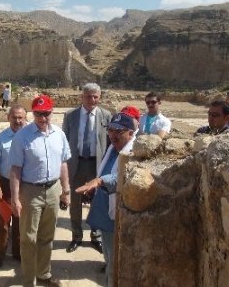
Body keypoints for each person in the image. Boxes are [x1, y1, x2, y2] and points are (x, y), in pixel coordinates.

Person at [10, 95, 71, 287]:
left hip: (53, 189)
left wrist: (66, 190)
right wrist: (15, 198)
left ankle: (44, 275)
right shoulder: (22, 136)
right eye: (38, 114)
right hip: (30, 191)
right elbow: (15, 169)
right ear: (33, 113)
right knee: (28, 239)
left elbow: (63, 163)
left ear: (51, 112)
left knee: (47, 236)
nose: (42, 118)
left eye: (45, 114)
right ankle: (29, 281)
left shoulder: (59, 134)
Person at [76, 113, 136, 287]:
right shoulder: (112, 149)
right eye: (110, 129)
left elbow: (122, 177)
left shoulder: (131, 152)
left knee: (114, 263)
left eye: (119, 130)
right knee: (109, 257)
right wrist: (94, 189)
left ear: (131, 133)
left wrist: (100, 181)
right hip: (105, 213)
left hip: (116, 217)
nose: (113, 134)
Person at [62, 83, 111, 253]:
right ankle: (76, 236)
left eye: (95, 96)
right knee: (75, 202)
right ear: (82, 97)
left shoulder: (106, 115)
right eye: (89, 96)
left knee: (97, 201)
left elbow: (110, 142)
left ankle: (96, 236)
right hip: (76, 163)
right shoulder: (70, 116)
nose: (92, 100)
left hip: (96, 165)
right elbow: (65, 141)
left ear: (99, 97)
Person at [0, 105, 27, 269]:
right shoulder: (0, 138)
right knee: (3, 222)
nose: (17, 121)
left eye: (20, 118)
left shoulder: (30, 137)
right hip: (5, 185)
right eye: (14, 117)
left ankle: (17, 253)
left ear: (25, 118)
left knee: (20, 221)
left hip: (25, 186)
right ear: (8, 118)